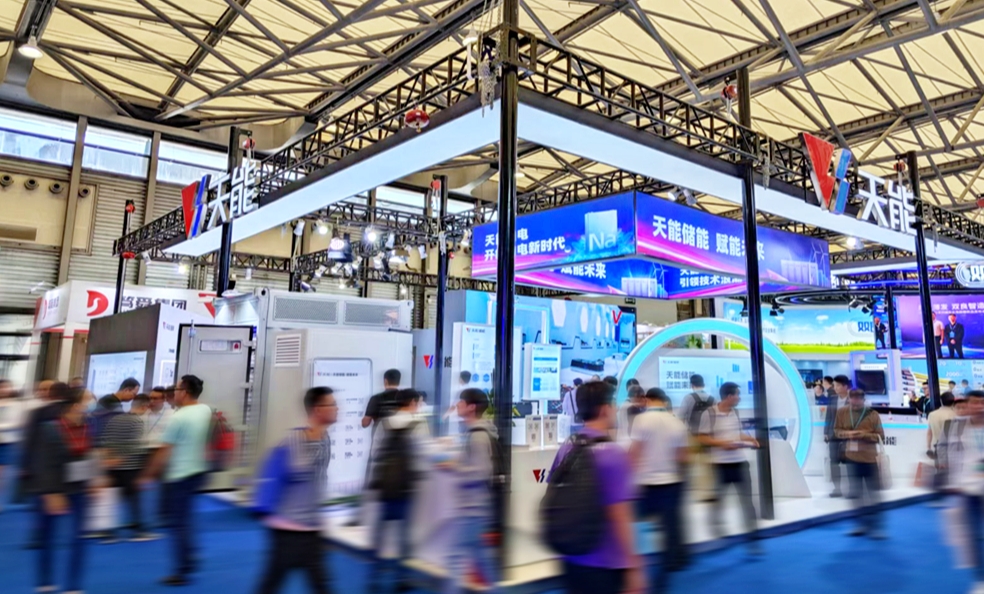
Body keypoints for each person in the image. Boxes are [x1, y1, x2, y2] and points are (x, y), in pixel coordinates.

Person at [549, 381, 644, 594]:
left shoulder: (568, 445)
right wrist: (633, 566)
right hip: (604, 561)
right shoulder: (612, 453)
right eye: (613, 404)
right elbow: (620, 514)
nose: (616, 409)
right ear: (603, 409)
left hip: (570, 555)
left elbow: (553, 490)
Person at [255, 387, 337, 594]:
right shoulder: (293, 442)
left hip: (310, 529)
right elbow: (279, 474)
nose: (337, 408)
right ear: (318, 409)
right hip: (289, 530)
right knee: (271, 583)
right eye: (332, 404)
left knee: (320, 584)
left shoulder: (324, 439)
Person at [141, 374, 212, 586]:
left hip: (179, 475)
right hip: (198, 472)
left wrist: (148, 475)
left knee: (177, 523)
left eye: (178, 389)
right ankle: (190, 554)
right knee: (184, 518)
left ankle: (182, 569)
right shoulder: (205, 410)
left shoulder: (178, 418)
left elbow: (164, 451)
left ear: (185, 392)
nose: (174, 392)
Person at [35, 387, 100, 594]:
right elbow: (44, 464)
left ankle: (73, 586)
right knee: (48, 537)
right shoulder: (50, 429)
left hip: (79, 488)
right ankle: (45, 581)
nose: (91, 402)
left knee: (79, 537)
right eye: (88, 399)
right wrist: (51, 493)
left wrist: (95, 478)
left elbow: (92, 453)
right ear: (75, 405)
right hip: (54, 488)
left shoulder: (90, 424)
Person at [368, 388, 430, 594]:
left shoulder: (385, 422)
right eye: (418, 402)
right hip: (405, 486)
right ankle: (402, 578)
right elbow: (423, 455)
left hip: (386, 485)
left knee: (380, 532)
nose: (418, 406)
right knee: (405, 535)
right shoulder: (418, 424)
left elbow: (375, 452)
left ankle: (374, 576)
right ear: (412, 402)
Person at [443, 388, 501, 594]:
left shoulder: (477, 436)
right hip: (474, 507)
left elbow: (481, 471)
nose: (457, 405)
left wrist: (454, 468)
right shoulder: (474, 432)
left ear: (471, 407)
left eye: (461, 402)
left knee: (455, 557)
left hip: (473, 508)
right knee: (481, 560)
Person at [629, 387, 688, 583]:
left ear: (647, 399)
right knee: (669, 530)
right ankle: (664, 575)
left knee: (635, 528)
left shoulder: (641, 420)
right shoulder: (677, 422)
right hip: (671, 482)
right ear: (664, 401)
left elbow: (635, 453)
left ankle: (634, 571)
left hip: (645, 484)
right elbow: (682, 457)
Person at [697, 382, 760, 551]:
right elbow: (702, 438)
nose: (739, 398)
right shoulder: (709, 413)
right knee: (719, 501)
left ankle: (753, 539)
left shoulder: (735, 413)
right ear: (729, 396)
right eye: (738, 394)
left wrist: (750, 439)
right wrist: (723, 444)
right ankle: (717, 531)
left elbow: (736, 433)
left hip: (740, 463)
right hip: (720, 465)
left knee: (747, 502)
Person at [99, 393, 156, 543]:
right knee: (134, 501)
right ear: (144, 406)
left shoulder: (115, 419)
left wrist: (108, 460)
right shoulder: (137, 421)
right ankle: (139, 531)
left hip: (112, 468)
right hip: (130, 469)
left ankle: (108, 533)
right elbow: (133, 446)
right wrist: (119, 459)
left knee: (113, 501)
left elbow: (105, 441)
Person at [834, 389, 886, 539]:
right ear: (849, 399)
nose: (855, 401)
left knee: (873, 494)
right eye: (853, 399)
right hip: (851, 458)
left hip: (870, 459)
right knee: (855, 494)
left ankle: (876, 527)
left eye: (858, 399)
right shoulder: (842, 413)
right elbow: (836, 431)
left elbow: (880, 436)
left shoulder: (873, 414)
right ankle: (860, 525)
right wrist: (847, 434)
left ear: (863, 400)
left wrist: (863, 435)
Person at [17, 380, 61, 547]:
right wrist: (25, 464)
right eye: (41, 389)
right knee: (40, 502)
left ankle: (45, 535)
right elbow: (29, 440)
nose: (43, 392)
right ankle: (40, 535)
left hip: (54, 464)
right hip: (40, 464)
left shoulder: (63, 410)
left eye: (46, 389)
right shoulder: (36, 411)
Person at [677, 374, 714, 501]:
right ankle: (706, 493)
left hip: (691, 436)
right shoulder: (712, 399)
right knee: (706, 466)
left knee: (687, 465)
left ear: (692, 385)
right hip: (707, 437)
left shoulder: (688, 398)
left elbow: (681, 418)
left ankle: (684, 493)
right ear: (703, 384)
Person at [928, 391, 957, 506]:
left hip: (936, 446)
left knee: (939, 472)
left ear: (941, 401)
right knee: (951, 474)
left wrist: (928, 447)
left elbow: (929, 432)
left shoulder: (932, 414)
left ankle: (937, 498)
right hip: (951, 447)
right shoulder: (954, 415)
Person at [824, 375, 851, 498]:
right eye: (834, 385)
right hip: (833, 434)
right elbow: (828, 417)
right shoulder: (832, 399)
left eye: (838, 385)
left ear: (845, 386)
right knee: (833, 462)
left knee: (850, 462)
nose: (835, 388)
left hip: (848, 436)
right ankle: (837, 489)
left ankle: (852, 489)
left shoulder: (852, 399)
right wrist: (826, 432)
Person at [0, 379, 25, 512]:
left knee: (2, 474)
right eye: (1, 387)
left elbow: (17, 423)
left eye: (6, 387)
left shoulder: (16, 405)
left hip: (7, 443)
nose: (4, 390)